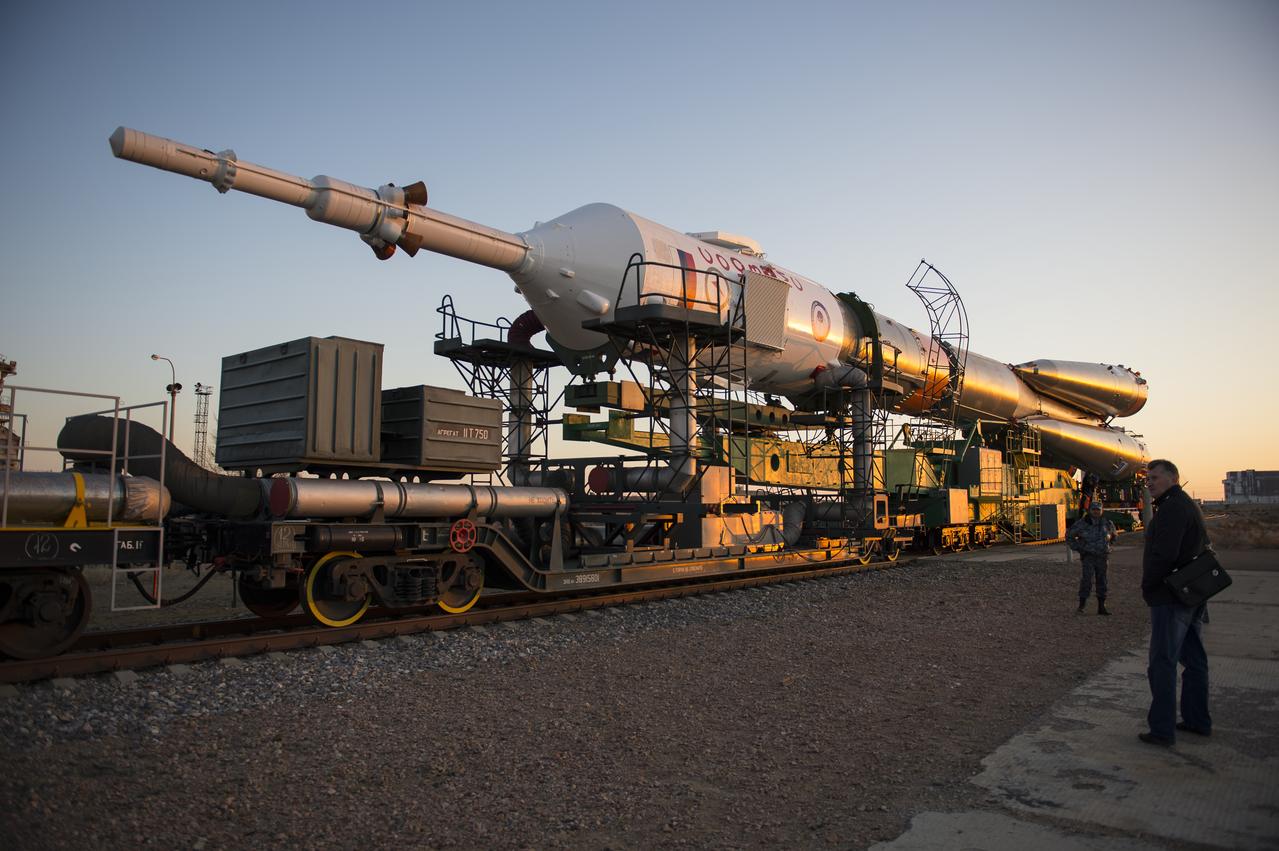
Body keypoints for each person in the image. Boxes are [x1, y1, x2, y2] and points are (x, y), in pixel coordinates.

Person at [1139, 458, 1212, 747]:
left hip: (1171, 596)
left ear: (1172, 478)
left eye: (1155, 477)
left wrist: (1148, 585)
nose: (1149, 482)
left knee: (1162, 662)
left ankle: (1162, 730)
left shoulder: (1171, 509)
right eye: (1148, 478)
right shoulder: (1186, 504)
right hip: (1192, 592)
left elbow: (1164, 555)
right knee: (1194, 660)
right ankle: (1197, 720)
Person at [1068, 501, 1117, 614]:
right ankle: (1082, 606)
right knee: (1086, 580)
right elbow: (1069, 536)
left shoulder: (1107, 523)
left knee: (1102, 581)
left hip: (1102, 556)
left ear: (1101, 511)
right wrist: (1079, 548)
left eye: (1098, 510)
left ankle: (1102, 606)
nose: (1096, 512)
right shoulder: (1082, 523)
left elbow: (1114, 536)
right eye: (1094, 509)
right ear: (1090, 511)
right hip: (1088, 556)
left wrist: (1108, 545)